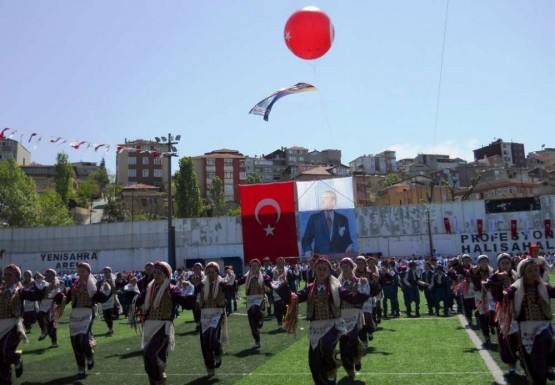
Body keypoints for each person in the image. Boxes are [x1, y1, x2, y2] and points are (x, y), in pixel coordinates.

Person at [275, 257, 370, 385]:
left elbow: (352, 298)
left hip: (333, 326)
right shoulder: (310, 288)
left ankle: (332, 368)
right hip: (315, 327)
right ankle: (324, 380)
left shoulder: (337, 287)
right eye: (318, 268)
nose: (321, 271)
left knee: (325, 346)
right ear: (314, 270)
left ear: (329, 271)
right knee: (314, 362)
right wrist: (283, 287)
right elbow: (294, 299)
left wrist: (363, 288)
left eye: (324, 269)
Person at [135, 261, 195, 385]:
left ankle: (159, 378)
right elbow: (139, 301)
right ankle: (155, 380)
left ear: (166, 275)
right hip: (149, 326)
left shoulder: (172, 289)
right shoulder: (149, 288)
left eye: (159, 273)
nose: (156, 275)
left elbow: (186, 303)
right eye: (155, 272)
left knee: (151, 352)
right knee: (147, 356)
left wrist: (189, 290)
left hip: (163, 326)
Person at [502, 259, 555, 385]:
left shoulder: (544, 287)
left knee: (544, 349)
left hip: (544, 326)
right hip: (525, 330)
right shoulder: (515, 288)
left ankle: (548, 367)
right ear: (523, 273)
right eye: (530, 271)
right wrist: (499, 285)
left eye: (536, 270)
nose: (534, 273)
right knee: (531, 362)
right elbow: (502, 296)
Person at [57, 262, 110, 378]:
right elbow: (68, 298)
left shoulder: (93, 284)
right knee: (75, 341)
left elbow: (101, 298)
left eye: (83, 271)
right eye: (79, 271)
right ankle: (81, 367)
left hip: (87, 312)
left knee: (83, 338)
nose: (80, 273)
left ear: (88, 272)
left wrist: (106, 290)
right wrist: (60, 298)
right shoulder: (74, 284)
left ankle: (89, 355)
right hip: (75, 314)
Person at [0, 264, 46, 384]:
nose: (6, 277)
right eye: (5, 274)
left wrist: (40, 281)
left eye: (9, 275)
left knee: (4, 352)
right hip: (1, 326)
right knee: (1, 358)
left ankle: (16, 358)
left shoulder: (20, 291)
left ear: (16, 277)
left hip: (14, 326)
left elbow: (36, 295)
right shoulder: (0, 290)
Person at [195, 262, 234, 379]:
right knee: (205, 342)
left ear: (217, 272)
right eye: (209, 270)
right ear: (206, 272)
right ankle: (210, 367)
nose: (211, 273)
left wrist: (231, 276)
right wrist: (186, 284)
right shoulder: (202, 284)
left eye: (213, 270)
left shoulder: (222, 283)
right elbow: (193, 290)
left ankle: (218, 352)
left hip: (217, 313)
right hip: (205, 314)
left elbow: (231, 286)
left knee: (211, 334)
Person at [483, 253, 519, 375]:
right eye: (502, 263)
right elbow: (486, 284)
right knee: (507, 337)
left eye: (507, 263)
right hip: (503, 311)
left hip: (518, 309)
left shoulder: (516, 274)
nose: (505, 265)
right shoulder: (495, 276)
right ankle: (511, 364)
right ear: (498, 264)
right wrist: (496, 278)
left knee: (521, 336)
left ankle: (525, 361)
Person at [301, 190, 354, 256]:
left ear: (333, 201)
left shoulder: (343, 219)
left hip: (338, 258)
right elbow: (306, 239)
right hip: (320, 259)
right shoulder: (314, 219)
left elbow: (347, 240)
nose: (322, 201)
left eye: (325, 198)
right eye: (322, 198)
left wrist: (349, 247)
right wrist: (308, 251)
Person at [337, 257, 365, 380]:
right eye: (342, 265)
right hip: (341, 314)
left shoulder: (358, 280)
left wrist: (363, 285)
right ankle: (349, 368)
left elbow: (364, 294)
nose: (345, 268)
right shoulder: (337, 282)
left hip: (353, 313)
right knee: (343, 343)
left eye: (347, 265)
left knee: (353, 340)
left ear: (350, 266)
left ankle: (357, 358)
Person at [235, 259, 271, 348]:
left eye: (256, 265)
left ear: (259, 267)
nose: (254, 267)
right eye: (252, 265)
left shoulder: (264, 276)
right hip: (250, 300)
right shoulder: (247, 277)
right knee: (252, 322)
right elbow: (237, 282)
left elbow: (271, 283)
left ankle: (260, 318)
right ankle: (257, 341)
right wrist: (231, 283)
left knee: (255, 309)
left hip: (260, 299)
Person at [36, 269, 66, 348]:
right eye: (46, 275)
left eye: (49, 275)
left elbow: (61, 295)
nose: (47, 276)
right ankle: (43, 330)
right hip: (43, 304)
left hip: (52, 304)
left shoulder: (59, 283)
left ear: (53, 275)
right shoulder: (42, 283)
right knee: (39, 316)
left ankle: (54, 341)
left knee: (51, 324)